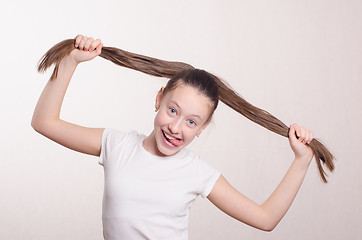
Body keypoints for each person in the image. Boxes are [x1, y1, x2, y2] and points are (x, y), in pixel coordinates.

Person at [32, 35, 315, 240]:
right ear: (159, 99)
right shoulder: (117, 145)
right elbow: (45, 122)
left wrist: (302, 161)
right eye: (172, 110)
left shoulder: (197, 173)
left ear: (202, 128)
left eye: (192, 121)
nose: (176, 127)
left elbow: (265, 219)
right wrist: (71, 62)